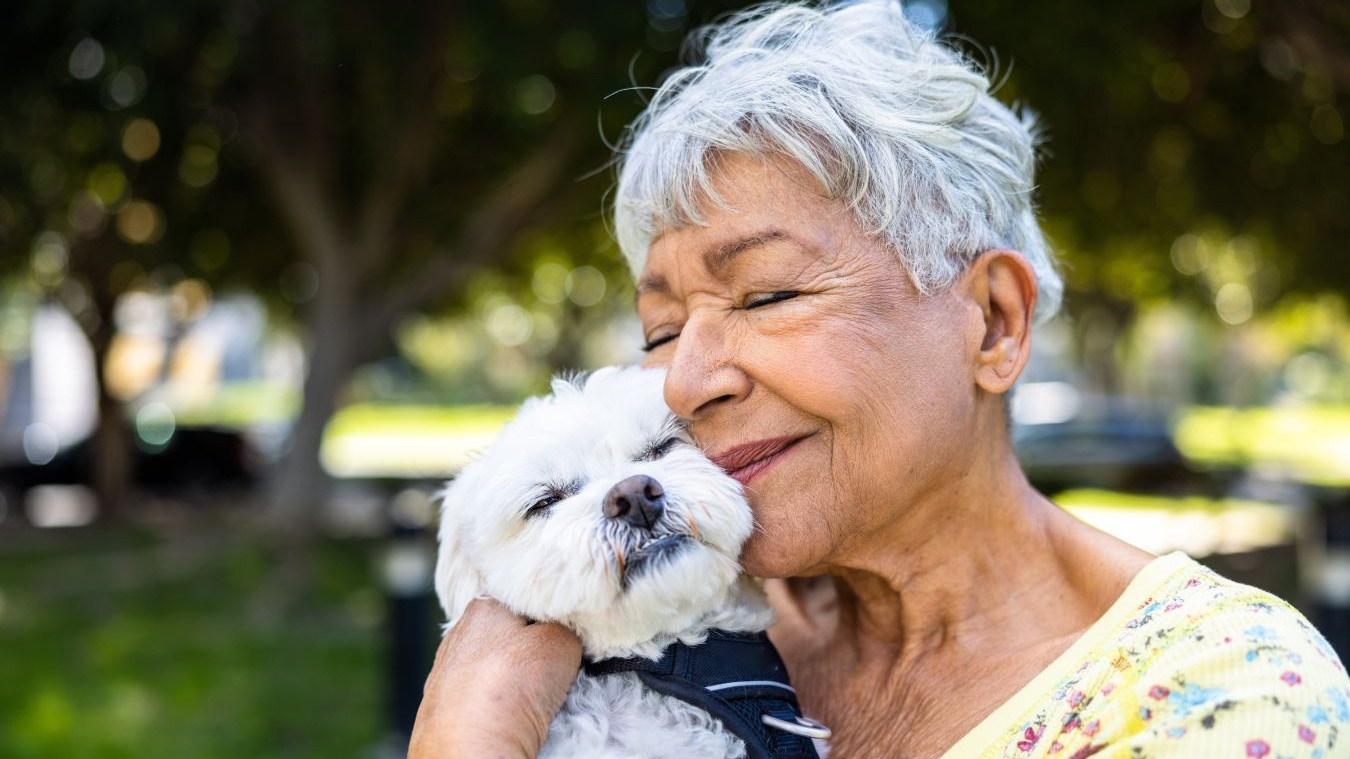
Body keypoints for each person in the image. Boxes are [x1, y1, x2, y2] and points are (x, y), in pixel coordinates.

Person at [410, 3, 1350, 757]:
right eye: (662, 327)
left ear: (993, 322)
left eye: (767, 293)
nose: (685, 378)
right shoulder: (672, 612)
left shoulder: (1221, 693)